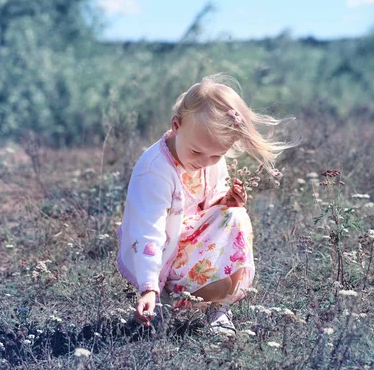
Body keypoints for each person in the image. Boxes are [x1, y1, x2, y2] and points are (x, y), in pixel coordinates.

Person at [116, 74, 291, 337]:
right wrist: (148, 286)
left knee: (236, 215)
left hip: (189, 241)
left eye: (217, 155)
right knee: (216, 281)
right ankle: (164, 295)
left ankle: (218, 308)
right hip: (159, 254)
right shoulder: (155, 171)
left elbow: (205, 201)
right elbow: (147, 231)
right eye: (197, 152)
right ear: (176, 125)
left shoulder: (208, 155)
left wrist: (225, 202)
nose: (207, 162)